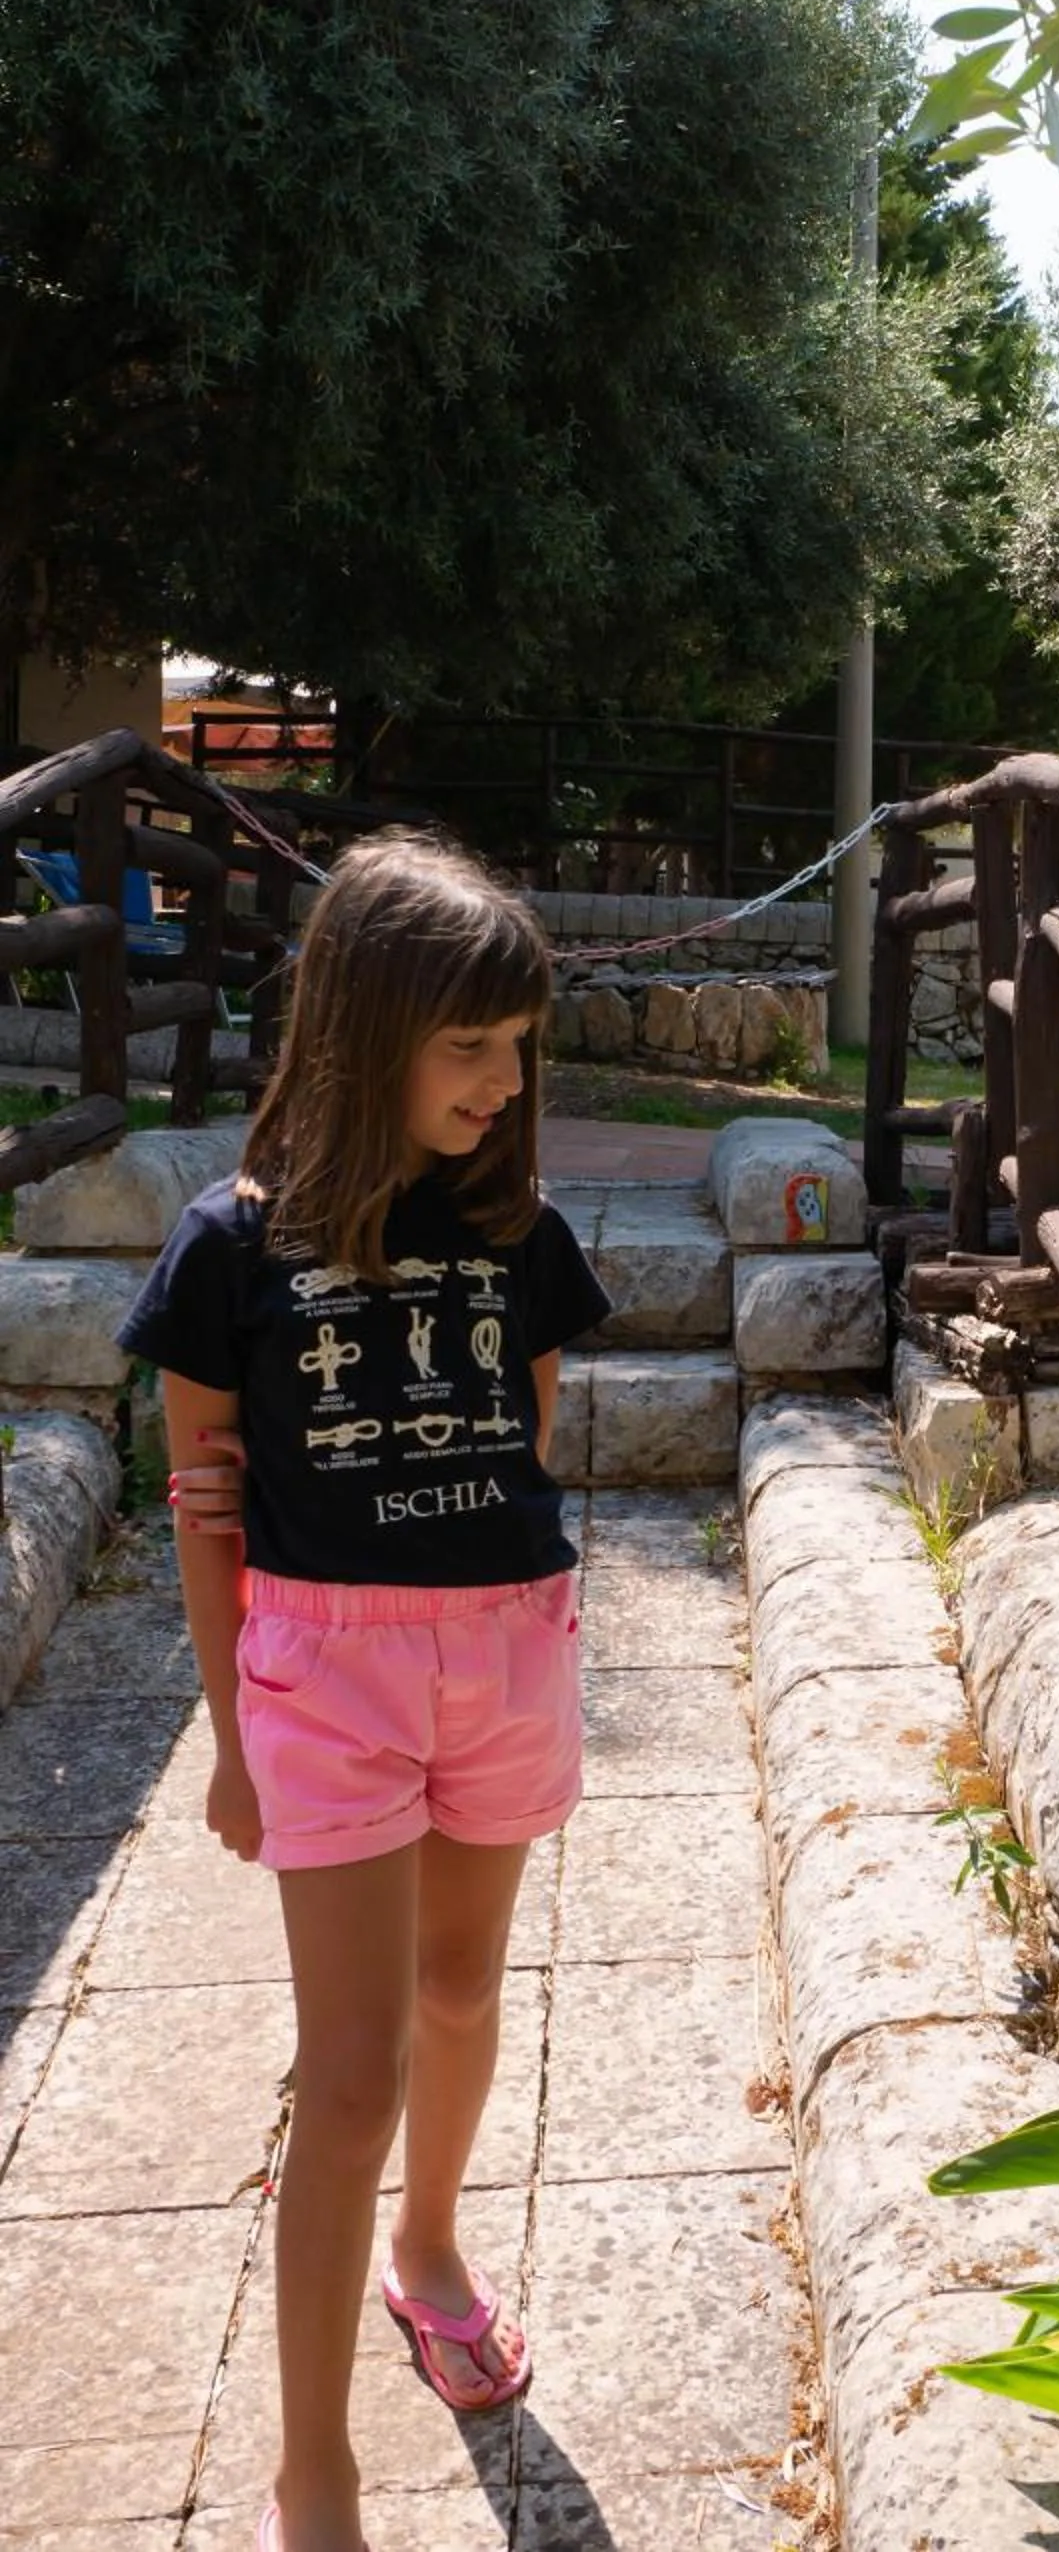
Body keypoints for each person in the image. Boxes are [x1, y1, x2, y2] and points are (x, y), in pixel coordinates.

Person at [121, 834, 611, 2552]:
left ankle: (433, 2249)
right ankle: (309, 2468)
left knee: (466, 1996)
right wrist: (235, 1734)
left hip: (503, 1653)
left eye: (518, 1047)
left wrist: (498, 1615)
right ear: (365, 1027)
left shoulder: (519, 1230)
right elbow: (205, 1505)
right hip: (322, 1671)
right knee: (348, 2072)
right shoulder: (227, 1250)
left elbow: (530, 1429)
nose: (503, 1083)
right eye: (467, 1047)